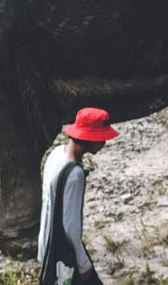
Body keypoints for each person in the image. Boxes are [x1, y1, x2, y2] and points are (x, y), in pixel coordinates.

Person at [39, 107, 117, 285]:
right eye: (101, 137)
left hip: (47, 246)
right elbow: (70, 228)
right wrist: (84, 266)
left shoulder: (56, 154)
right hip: (65, 255)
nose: (104, 142)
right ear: (88, 138)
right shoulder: (74, 174)